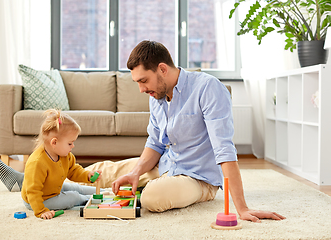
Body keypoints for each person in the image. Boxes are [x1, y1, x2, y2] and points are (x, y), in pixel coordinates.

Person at [110, 40, 285, 222]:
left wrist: (242, 208)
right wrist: (136, 172)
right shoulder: (156, 96)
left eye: (143, 81)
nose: (141, 89)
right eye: (137, 82)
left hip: (197, 178)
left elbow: (223, 148)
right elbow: (155, 143)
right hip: (167, 165)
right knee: (106, 172)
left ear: (162, 69)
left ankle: (157, 188)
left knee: (151, 198)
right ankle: (141, 182)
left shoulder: (208, 88)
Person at [0, 109, 103, 219]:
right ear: (54, 142)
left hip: (53, 190)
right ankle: (90, 199)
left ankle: (104, 192)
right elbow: (33, 191)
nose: (73, 146)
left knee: (75, 187)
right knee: (73, 196)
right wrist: (41, 211)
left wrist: (87, 175)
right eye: (70, 143)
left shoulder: (66, 155)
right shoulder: (37, 162)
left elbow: (73, 171)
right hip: (39, 200)